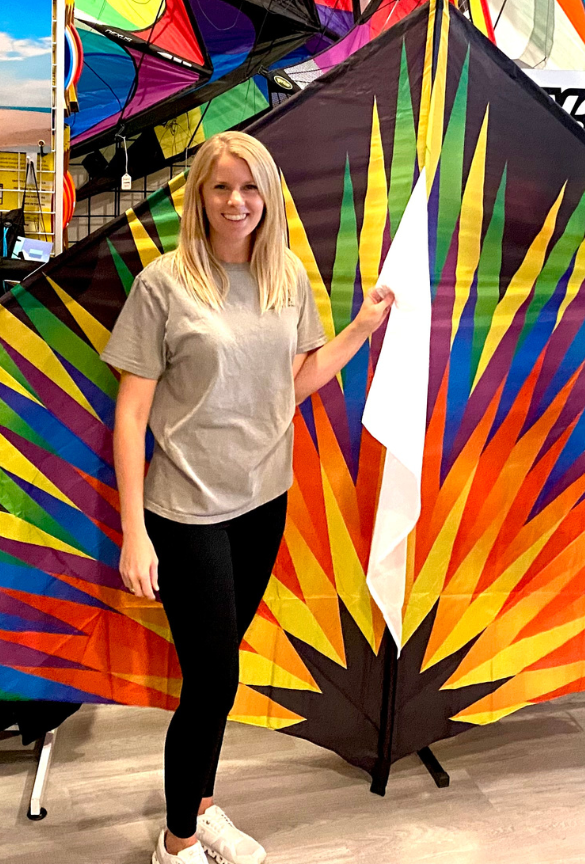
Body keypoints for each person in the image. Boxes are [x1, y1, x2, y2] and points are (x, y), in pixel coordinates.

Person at [104, 131, 393, 864]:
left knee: (218, 670)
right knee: (212, 679)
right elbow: (132, 413)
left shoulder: (286, 277)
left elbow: (287, 389)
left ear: (268, 197)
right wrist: (134, 531)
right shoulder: (163, 286)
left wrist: (360, 329)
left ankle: (199, 807)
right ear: (199, 196)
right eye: (221, 188)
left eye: (250, 188)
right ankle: (176, 843)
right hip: (186, 511)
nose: (236, 202)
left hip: (264, 499)